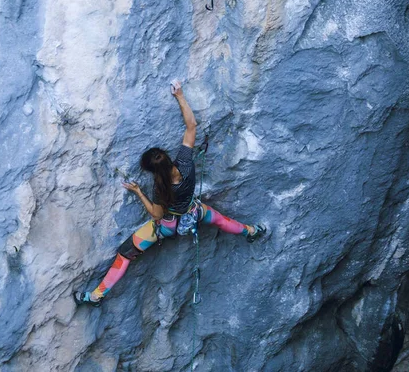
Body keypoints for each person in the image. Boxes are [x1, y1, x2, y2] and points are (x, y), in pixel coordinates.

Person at [73, 80, 270, 307]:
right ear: (167, 157)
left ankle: (96, 296)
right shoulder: (185, 163)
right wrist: (180, 95)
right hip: (194, 212)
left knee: (125, 254)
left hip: (168, 225)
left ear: (152, 171)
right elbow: (191, 126)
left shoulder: (161, 189)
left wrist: (138, 192)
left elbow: (156, 215)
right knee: (220, 220)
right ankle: (251, 231)